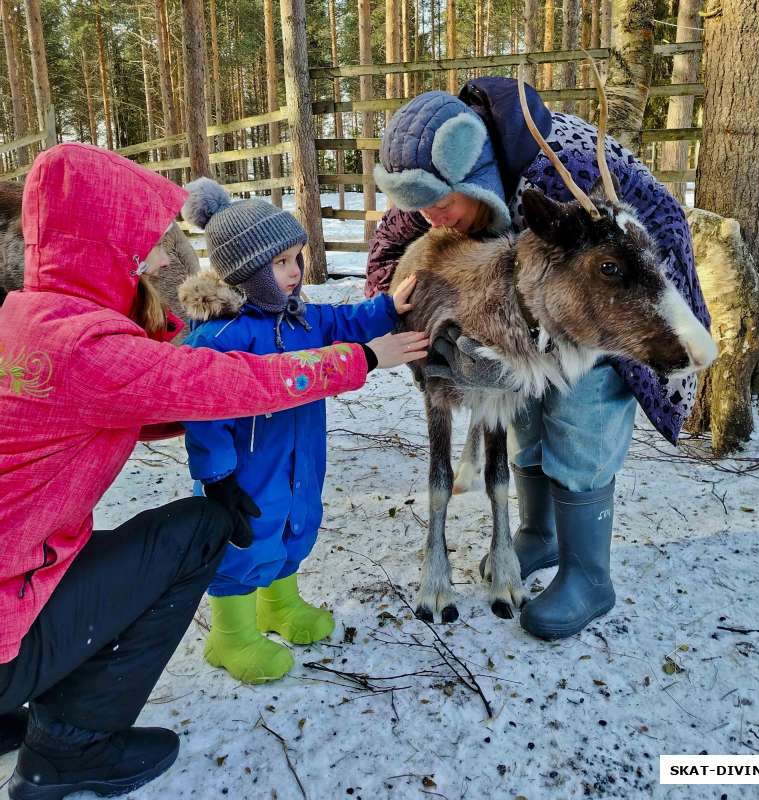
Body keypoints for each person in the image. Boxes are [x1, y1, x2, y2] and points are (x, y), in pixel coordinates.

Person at [0, 142, 427, 800]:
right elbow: (213, 382)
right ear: (99, 243)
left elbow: (152, 400)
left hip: (17, 578)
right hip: (9, 614)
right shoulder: (84, 344)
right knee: (205, 528)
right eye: (144, 244)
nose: (166, 257)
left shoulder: (29, 320)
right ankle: (67, 751)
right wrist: (361, 360)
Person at [366, 79, 711, 640]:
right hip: (539, 308)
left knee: (582, 412)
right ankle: (537, 534)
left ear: (471, 176)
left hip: (622, 298)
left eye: (440, 202)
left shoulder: (558, 169)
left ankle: (588, 575)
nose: (428, 215)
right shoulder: (428, 188)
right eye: (415, 204)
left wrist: (650, 326)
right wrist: (414, 313)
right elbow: (389, 261)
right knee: (521, 407)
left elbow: (657, 231)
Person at [178, 178, 417, 683]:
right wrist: (217, 475)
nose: (294, 272)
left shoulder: (302, 319)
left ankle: (278, 606)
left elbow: (344, 322)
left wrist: (387, 308)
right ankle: (232, 636)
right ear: (247, 271)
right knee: (246, 542)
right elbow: (201, 410)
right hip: (246, 470)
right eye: (281, 262)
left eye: (297, 259)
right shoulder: (220, 338)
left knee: (295, 526)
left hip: (300, 460)